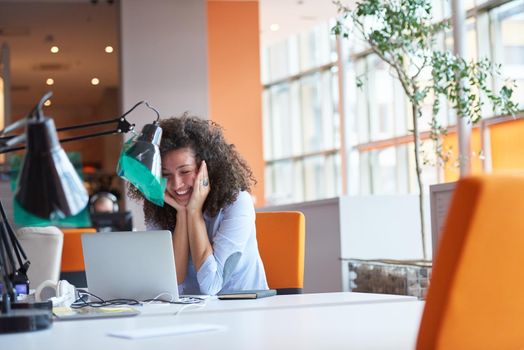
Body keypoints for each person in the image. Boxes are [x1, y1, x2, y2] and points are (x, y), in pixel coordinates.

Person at [129, 115, 268, 295]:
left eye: (185, 171)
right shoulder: (159, 207)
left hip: (243, 310)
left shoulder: (237, 202)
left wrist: (193, 213)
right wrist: (181, 214)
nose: (177, 184)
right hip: (189, 313)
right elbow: (170, 287)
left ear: (206, 168)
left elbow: (211, 285)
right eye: (166, 174)